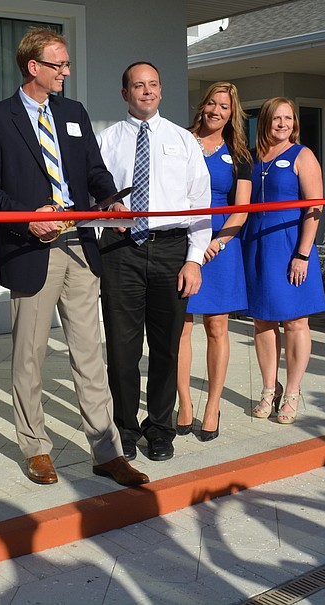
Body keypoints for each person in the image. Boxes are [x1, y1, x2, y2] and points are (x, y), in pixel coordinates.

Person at [0, 28, 148, 487]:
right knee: (28, 357)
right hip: (33, 250)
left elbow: (93, 170)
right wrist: (28, 217)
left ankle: (105, 451)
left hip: (81, 248)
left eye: (67, 64)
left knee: (90, 354)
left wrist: (110, 200)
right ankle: (35, 447)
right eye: (59, 65)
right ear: (34, 67)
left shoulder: (74, 113)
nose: (67, 72)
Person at [97, 62, 211, 462]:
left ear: (160, 91)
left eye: (153, 85)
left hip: (171, 251)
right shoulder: (105, 141)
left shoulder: (183, 141)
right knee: (122, 350)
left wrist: (194, 260)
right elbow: (91, 201)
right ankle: (125, 429)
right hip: (121, 251)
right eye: (137, 86)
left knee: (166, 348)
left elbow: (201, 205)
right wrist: (108, 211)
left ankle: (160, 429)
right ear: (124, 92)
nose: (146, 91)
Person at [241, 97, 325, 424]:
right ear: (264, 121)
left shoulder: (302, 156)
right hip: (257, 246)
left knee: (295, 321)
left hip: (290, 247)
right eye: (276, 118)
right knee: (262, 320)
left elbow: (314, 207)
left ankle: (292, 391)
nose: (282, 124)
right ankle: (268, 388)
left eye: (288, 118)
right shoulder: (252, 157)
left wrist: (303, 254)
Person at [175, 82, 251, 442]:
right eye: (211, 103)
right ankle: (185, 404)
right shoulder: (180, 142)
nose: (216, 110)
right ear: (202, 106)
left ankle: (212, 406)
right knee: (181, 327)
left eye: (224, 106)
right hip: (183, 240)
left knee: (217, 327)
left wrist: (216, 243)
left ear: (232, 113)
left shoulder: (241, 156)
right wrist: (194, 244)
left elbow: (242, 210)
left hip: (221, 246)